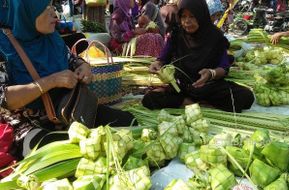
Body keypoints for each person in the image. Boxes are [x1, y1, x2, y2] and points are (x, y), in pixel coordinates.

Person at [0, 0, 137, 158]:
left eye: (52, 6)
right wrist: (52, 81)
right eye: (45, 8)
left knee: (128, 122)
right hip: (30, 124)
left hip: (70, 109)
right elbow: (5, 98)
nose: (55, 14)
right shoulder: (4, 47)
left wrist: (83, 66)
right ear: (26, 12)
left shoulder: (52, 38)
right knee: (60, 154)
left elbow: (72, 59)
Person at [142, 0, 254, 113]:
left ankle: (197, 100)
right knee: (149, 99)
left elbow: (224, 67)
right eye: (183, 16)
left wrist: (211, 73)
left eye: (192, 16)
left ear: (202, 15)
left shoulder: (215, 36)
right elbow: (162, 58)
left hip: (208, 87)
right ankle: (186, 101)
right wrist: (157, 64)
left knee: (246, 97)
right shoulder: (177, 34)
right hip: (181, 87)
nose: (187, 21)